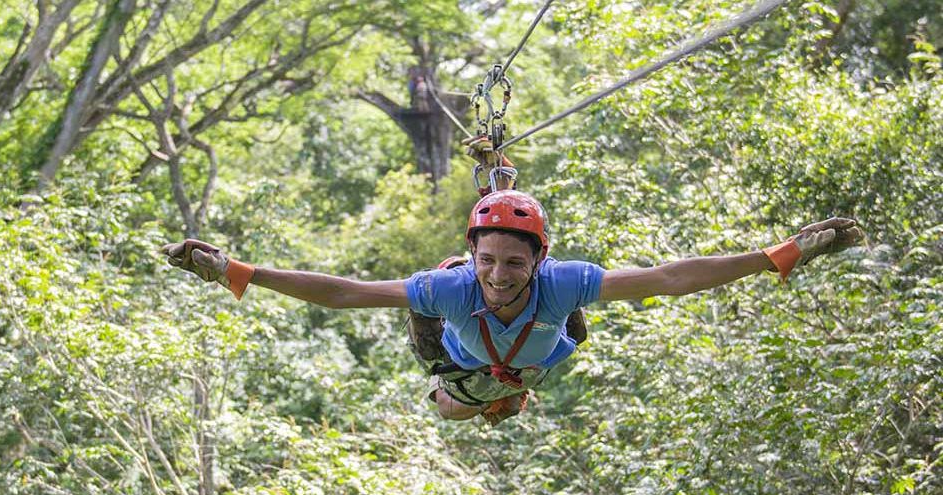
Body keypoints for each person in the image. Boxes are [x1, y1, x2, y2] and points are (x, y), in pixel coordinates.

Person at [163, 141, 864, 426]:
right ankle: (500, 182)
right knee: (449, 382)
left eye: (514, 263)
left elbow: (669, 277)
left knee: (450, 405)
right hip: (480, 352)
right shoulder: (459, 287)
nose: (498, 275)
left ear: (538, 261)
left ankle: (502, 184)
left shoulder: (558, 281)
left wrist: (777, 255)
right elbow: (346, 290)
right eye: (488, 261)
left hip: (510, 355)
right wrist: (240, 271)